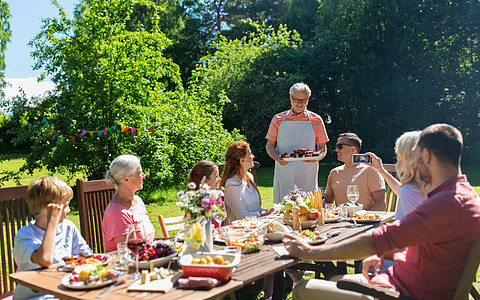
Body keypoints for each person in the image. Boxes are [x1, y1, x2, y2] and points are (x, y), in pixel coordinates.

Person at [283, 124, 480, 300]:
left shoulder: (442, 204)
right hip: (410, 280)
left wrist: (309, 251)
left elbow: (374, 240)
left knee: (303, 287)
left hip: (398, 292)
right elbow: (430, 245)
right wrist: (389, 255)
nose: (413, 162)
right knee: (336, 278)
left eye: (416, 156)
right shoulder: (466, 196)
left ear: (426, 156)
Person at [13, 176, 92, 300]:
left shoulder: (68, 227)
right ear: (49, 208)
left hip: (64, 291)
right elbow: (44, 260)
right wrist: (52, 221)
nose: (69, 210)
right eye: (65, 205)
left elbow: (88, 256)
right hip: (36, 296)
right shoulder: (25, 236)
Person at [266, 82, 329, 204]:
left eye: (303, 100)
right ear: (290, 98)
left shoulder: (317, 120)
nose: (300, 104)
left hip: (307, 170)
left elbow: (323, 148)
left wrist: (316, 157)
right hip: (283, 169)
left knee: (308, 206)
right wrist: (276, 157)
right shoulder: (278, 119)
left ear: (308, 100)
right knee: (283, 207)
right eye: (296, 100)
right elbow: (269, 145)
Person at [366, 131, 429, 219]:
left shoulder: (409, 191)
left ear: (407, 155)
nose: (397, 157)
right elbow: (402, 191)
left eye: (397, 152)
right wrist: (381, 170)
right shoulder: (431, 182)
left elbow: (408, 228)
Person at [102, 154, 155, 252]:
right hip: (128, 265)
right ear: (126, 179)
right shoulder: (117, 213)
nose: (144, 175)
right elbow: (132, 252)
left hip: (148, 258)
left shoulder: (138, 201)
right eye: (139, 173)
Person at [325, 132, 386, 210]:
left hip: (364, 220)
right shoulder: (334, 172)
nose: (336, 150)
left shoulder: (370, 170)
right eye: (336, 146)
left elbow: (381, 204)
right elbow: (327, 201)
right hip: (340, 220)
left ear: (353, 149)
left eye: (340, 146)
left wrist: (363, 217)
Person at [220, 141, 274, 223]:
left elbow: (255, 208)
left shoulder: (249, 177)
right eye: (250, 154)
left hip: (255, 225)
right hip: (237, 231)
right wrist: (265, 213)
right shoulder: (232, 184)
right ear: (242, 160)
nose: (253, 156)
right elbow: (242, 216)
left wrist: (270, 211)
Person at [187, 160, 223, 227]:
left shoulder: (214, 198)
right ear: (205, 180)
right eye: (216, 176)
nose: (219, 179)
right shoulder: (196, 205)